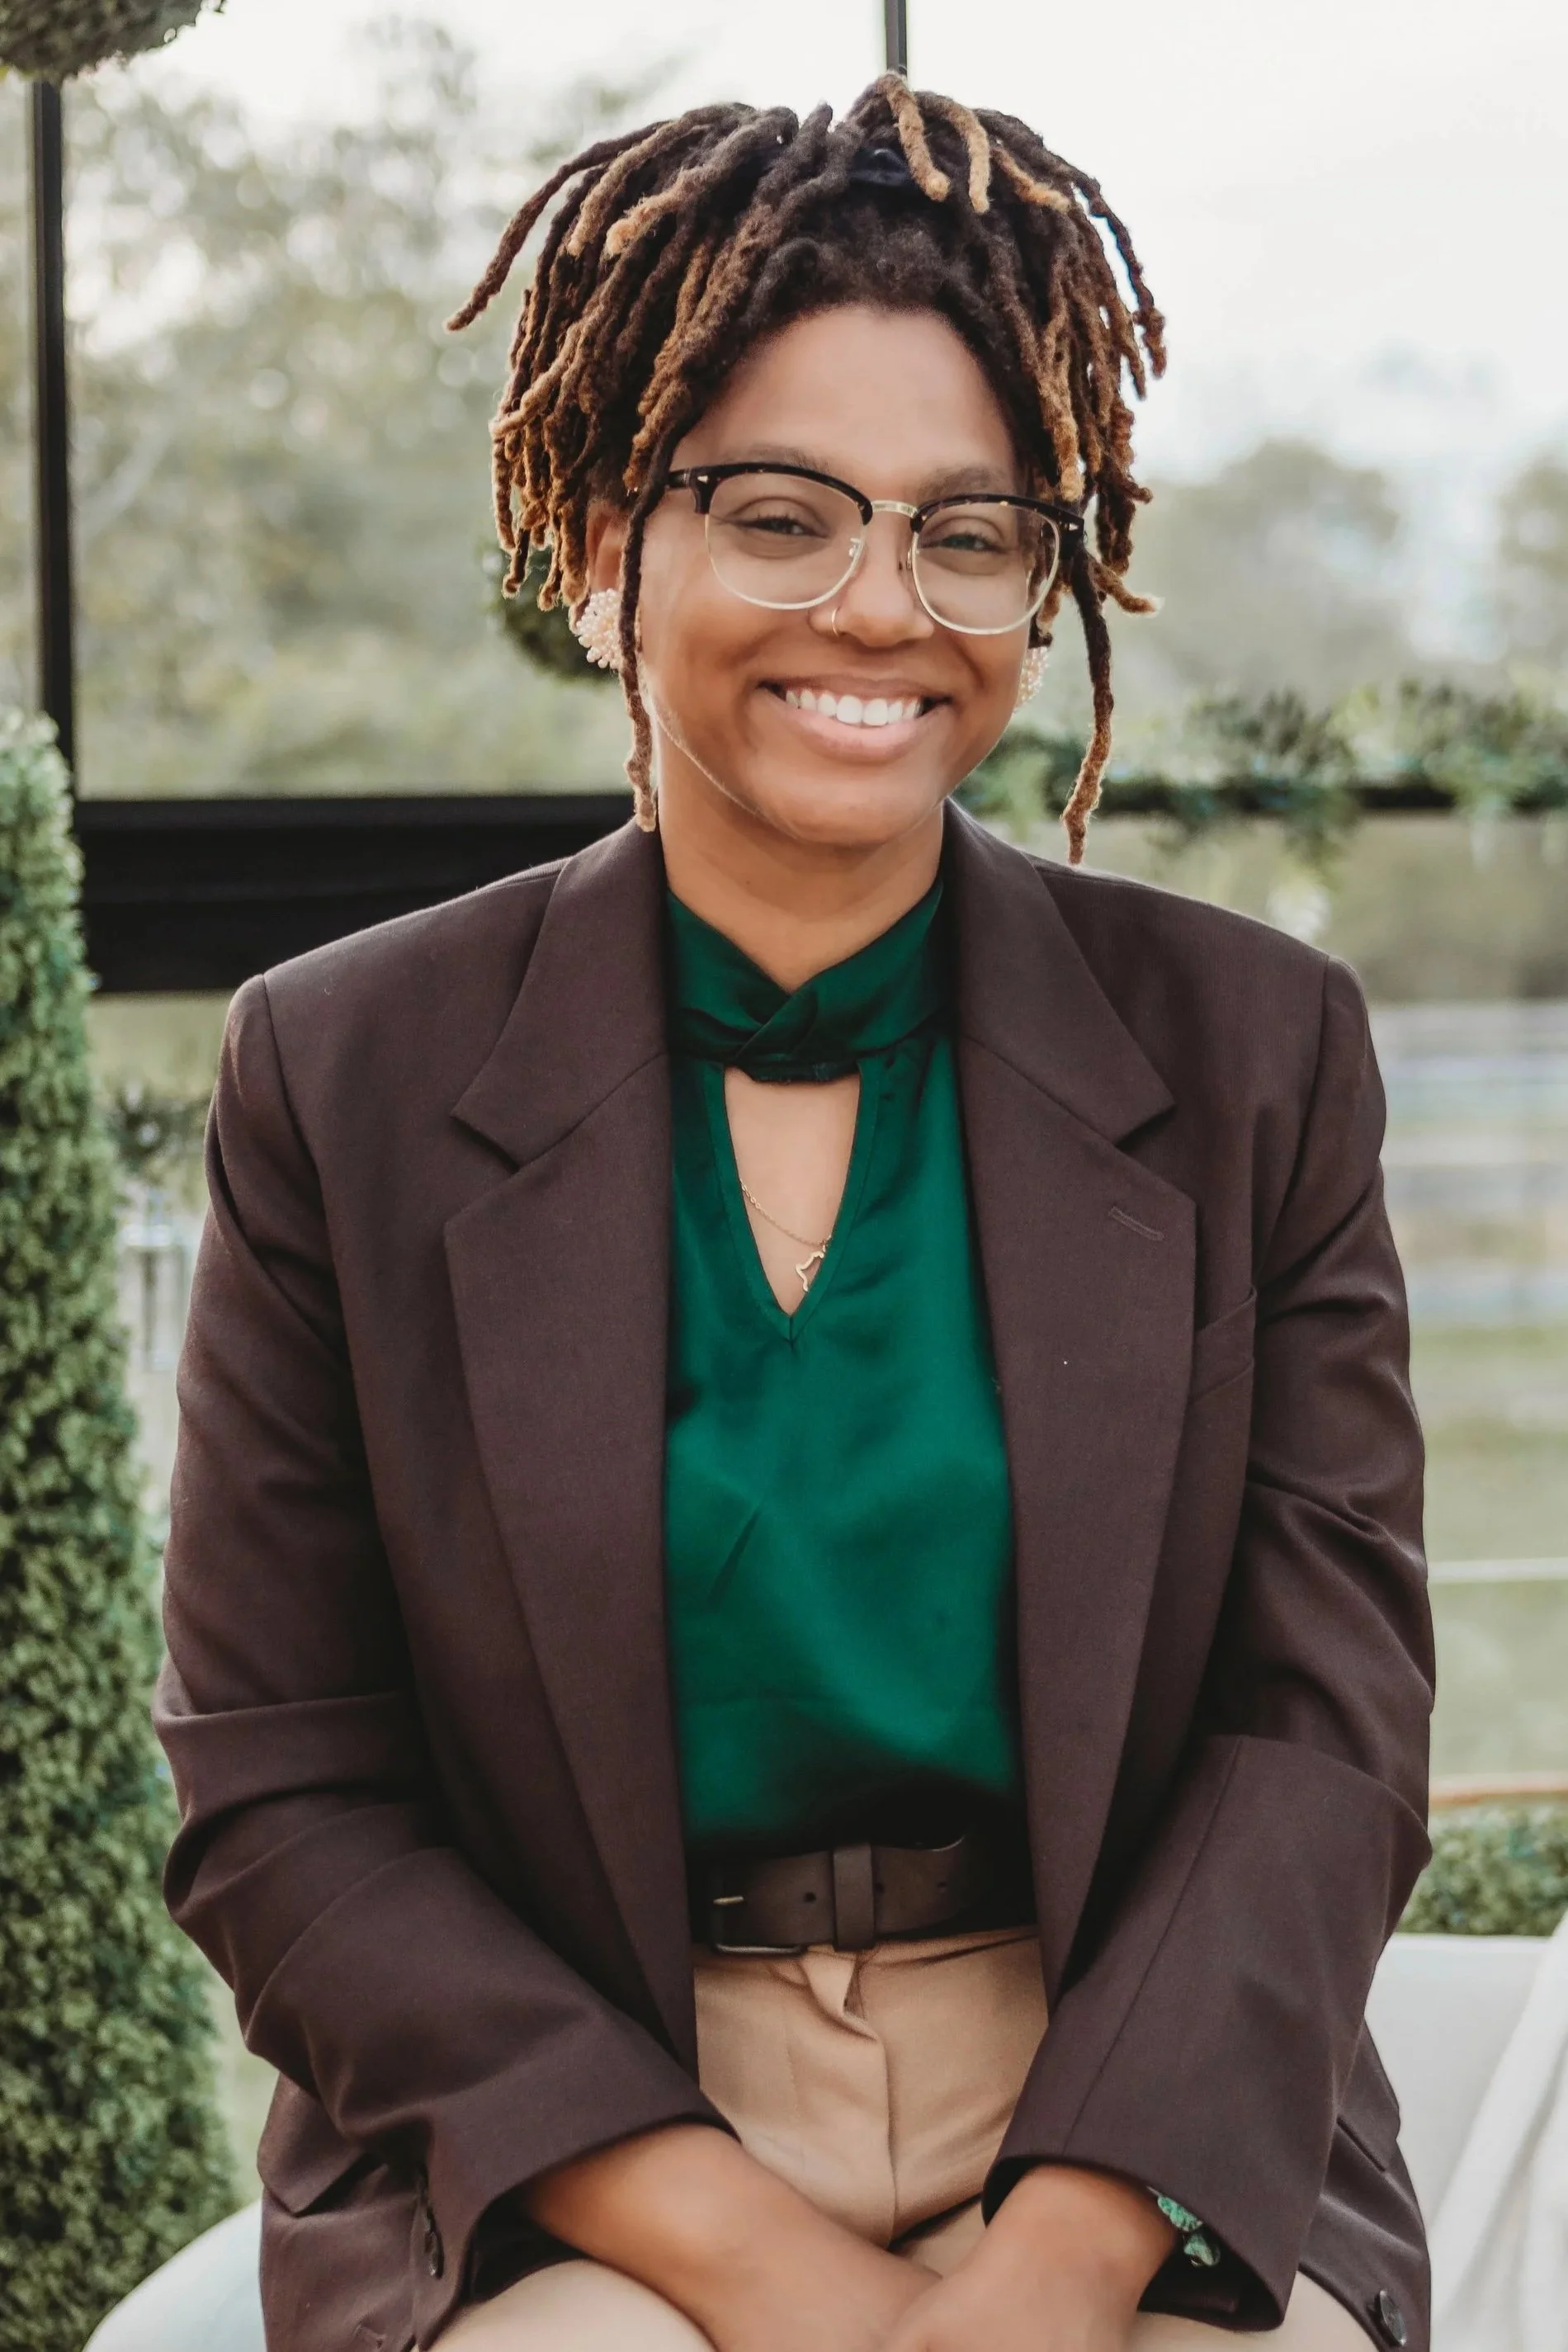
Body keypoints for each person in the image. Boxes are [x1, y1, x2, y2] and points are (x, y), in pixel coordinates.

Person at [154, 72, 1434, 2352]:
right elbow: (286, 1793)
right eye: (778, 513)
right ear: (598, 549)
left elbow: (1318, 1731)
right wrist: (770, 2275)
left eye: (969, 533)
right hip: (583, 2119)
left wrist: (1057, 2260)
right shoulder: (339, 1075)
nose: (880, 607)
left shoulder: (1259, 1052)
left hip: (1122, 2100)